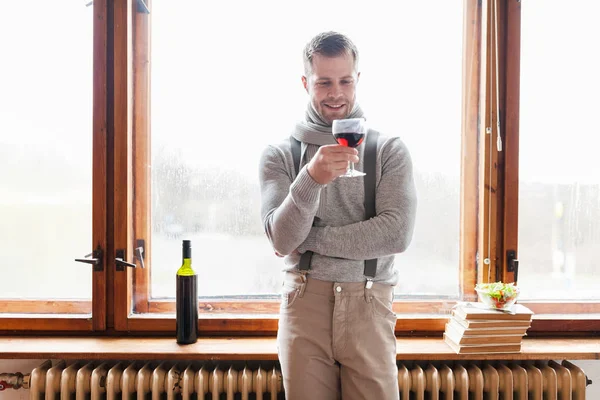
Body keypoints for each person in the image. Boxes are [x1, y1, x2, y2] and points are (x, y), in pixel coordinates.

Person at [258, 31, 417, 400]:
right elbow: (282, 240)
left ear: (357, 79)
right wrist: (310, 179)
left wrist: (312, 238)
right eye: (324, 82)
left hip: (370, 303)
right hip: (304, 306)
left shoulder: (389, 150)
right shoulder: (280, 155)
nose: (336, 93)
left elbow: (396, 234)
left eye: (345, 81)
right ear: (305, 83)